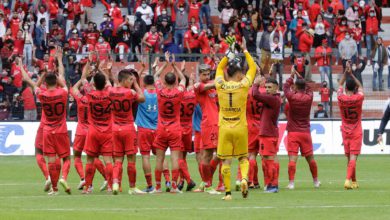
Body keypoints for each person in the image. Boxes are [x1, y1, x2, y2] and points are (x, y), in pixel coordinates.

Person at [19, 50, 71, 195]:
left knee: (51, 160)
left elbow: (31, 83)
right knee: (65, 158)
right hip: (61, 129)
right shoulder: (63, 93)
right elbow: (62, 78)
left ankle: (54, 188)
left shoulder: (41, 94)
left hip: (47, 129)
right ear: (56, 81)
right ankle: (62, 179)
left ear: (46, 83)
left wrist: (42, 74)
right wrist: (59, 61)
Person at [215, 38, 256, 201]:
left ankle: (227, 193)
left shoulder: (220, 85)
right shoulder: (244, 85)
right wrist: (244, 50)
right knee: (243, 158)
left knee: (225, 161)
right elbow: (253, 67)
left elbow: (219, 67)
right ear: (239, 74)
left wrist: (229, 53)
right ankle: (244, 179)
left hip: (224, 128)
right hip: (240, 127)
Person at [73, 59, 114, 194]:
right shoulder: (110, 93)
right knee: (107, 160)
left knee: (90, 160)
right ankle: (109, 186)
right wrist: (101, 70)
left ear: (94, 84)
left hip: (93, 131)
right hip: (107, 131)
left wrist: (89, 63)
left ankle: (88, 187)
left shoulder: (90, 93)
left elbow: (83, 78)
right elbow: (108, 81)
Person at [151, 52, 186, 194]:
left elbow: (154, 76)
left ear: (164, 82)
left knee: (159, 158)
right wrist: (174, 66)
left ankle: (158, 187)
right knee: (174, 158)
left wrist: (165, 64)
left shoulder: (159, 90)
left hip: (161, 128)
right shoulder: (179, 92)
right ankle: (174, 187)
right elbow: (183, 78)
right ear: (175, 81)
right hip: (175, 129)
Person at [283, 67, 320, 190]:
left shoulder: (292, 98)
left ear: (295, 87)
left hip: (293, 132)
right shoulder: (309, 97)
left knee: (293, 159)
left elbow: (285, 87)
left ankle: (291, 183)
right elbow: (309, 88)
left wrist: (292, 75)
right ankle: (315, 181)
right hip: (305, 132)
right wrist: (299, 76)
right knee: (310, 158)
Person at [110, 69, 146, 195]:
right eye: (130, 80)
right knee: (131, 159)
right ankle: (132, 187)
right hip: (128, 128)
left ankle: (115, 183)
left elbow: (113, 84)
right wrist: (136, 85)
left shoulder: (111, 91)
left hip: (115, 128)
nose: (132, 82)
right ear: (125, 80)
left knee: (118, 159)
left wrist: (109, 72)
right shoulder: (130, 92)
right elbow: (142, 98)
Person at [193, 64, 221, 194]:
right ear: (199, 75)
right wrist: (219, 81)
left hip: (217, 123)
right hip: (208, 124)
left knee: (221, 154)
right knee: (207, 155)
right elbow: (212, 85)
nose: (206, 76)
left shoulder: (212, 83)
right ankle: (208, 184)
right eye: (204, 74)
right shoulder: (198, 86)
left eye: (208, 74)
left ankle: (206, 182)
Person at [338, 63, 364, 190]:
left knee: (349, 158)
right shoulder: (359, 98)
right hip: (356, 131)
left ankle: (354, 181)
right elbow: (361, 86)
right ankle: (347, 180)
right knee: (354, 157)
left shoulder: (340, 97)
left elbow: (339, 85)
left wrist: (345, 73)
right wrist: (352, 74)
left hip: (345, 131)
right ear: (354, 89)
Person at [252, 77, 281, 193]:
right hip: (270, 133)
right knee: (269, 159)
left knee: (268, 160)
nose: (267, 90)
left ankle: (272, 185)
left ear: (276, 88)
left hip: (268, 134)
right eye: (266, 87)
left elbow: (255, 94)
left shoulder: (272, 99)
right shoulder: (274, 98)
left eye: (270, 87)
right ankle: (271, 184)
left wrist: (255, 84)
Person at [177, 63, 197, 192]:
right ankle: (181, 181)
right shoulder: (192, 95)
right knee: (183, 157)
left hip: (178, 128)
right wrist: (191, 79)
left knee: (178, 157)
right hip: (189, 128)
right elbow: (192, 87)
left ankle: (189, 180)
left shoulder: (176, 96)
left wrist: (179, 71)